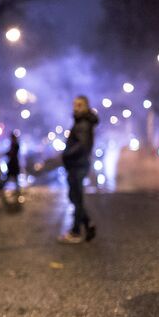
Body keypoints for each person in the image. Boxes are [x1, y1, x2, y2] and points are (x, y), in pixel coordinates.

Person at [58, 95, 98, 244]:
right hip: (78, 164)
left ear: (86, 106)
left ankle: (76, 231)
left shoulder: (83, 123)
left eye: (80, 105)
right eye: (74, 104)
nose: (76, 107)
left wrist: (66, 153)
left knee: (77, 198)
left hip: (78, 165)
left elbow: (82, 145)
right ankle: (87, 224)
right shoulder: (81, 122)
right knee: (75, 197)